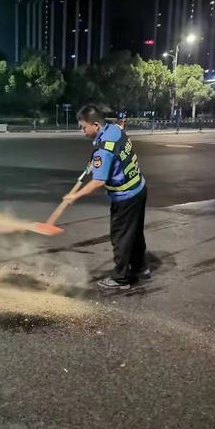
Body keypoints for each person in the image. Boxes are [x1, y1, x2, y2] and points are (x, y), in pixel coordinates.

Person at [63, 104, 150, 290]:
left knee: (120, 237)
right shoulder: (114, 129)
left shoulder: (104, 149)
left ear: (95, 125)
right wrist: (94, 163)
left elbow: (98, 182)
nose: (82, 131)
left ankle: (121, 278)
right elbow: (111, 149)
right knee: (134, 233)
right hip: (139, 188)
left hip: (125, 196)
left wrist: (74, 196)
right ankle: (141, 268)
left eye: (83, 127)